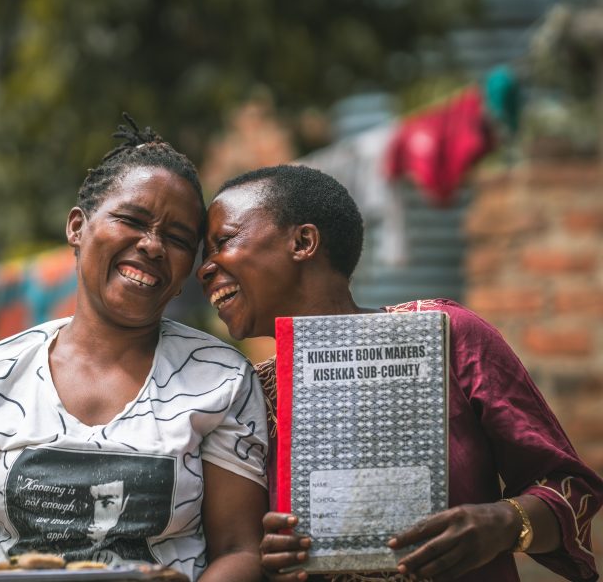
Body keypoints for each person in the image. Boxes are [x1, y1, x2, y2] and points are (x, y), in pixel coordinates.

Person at [196, 164, 603, 582]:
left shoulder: (446, 336)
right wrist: (267, 558)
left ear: (303, 241)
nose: (204, 269)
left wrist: (503, 524)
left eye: (222, 242)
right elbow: (236, 548)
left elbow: (571, 488)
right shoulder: (248, 396)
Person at [0, 115, 268, 582]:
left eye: (178, 239)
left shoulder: (219, 378)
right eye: (132, 220)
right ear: (77, 227)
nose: (152, 245)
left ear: (187, 272)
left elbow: (239, 550)